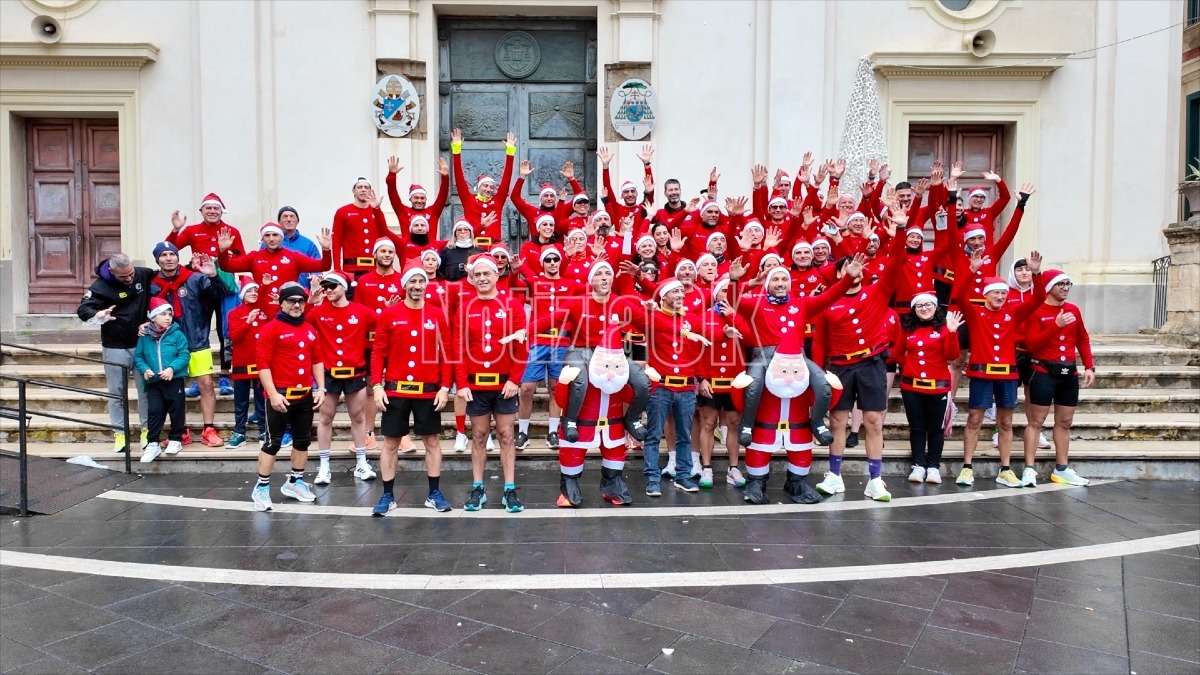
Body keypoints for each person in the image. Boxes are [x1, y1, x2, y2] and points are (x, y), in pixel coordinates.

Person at [811, 225, 907, 503]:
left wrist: (900, 229)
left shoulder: (876, 292)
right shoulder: (827, 302)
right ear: (839, 274)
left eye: (857, 268)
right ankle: (834, 475)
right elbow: (818, 343)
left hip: (871, 363)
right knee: (838, 420)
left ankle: (875, 480)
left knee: (874, 421)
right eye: (846, 269)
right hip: (839, 368)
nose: (852, 272)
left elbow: (897, 260)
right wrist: (818, 375)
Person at [953, 250, 1046, 488]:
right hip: (981, 374)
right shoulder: (975, 313)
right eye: (996, 292)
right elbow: (959, 296)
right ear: (986, 295)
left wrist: (1036, 274)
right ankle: (967, 467)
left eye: (1004, 293)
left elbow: (1037, 300)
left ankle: (1005, 468)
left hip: (1006, 374)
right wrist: (972, 270)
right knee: (974, 420)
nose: (1001, 297)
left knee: (1005, 423)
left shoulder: (1013, 312)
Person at [370, 263, 454, 515]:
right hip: (395, 391)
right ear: (404, 285)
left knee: (431, 441)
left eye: (421, 282)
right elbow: (378, 353)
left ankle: (434, 493)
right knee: (391, 443)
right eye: (412, 282)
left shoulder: (437, 314)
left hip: (428, 391)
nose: (417, 286)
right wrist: (376, 385)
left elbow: (446, 353)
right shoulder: (389, 314)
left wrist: (445, 387)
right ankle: (387, 495)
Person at [453, 254, 529, 512]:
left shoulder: (512, 305)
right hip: (475, 386)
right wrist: (461, 383)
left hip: (504, 385)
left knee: (507, 436)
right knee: (479, 436)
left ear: (498, 275)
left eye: (488, 274)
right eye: (478, 275)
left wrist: (515, 380)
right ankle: (478, 488)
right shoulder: (465, 308)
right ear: (472, 278)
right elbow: (458, 348)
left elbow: (521, 348)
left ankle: (509, 490)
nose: (483, 278)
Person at [148, 241, 231, 447]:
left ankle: (208, 429)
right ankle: (180, 431)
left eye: (172, 254)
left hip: (197, 341)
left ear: (178, 257)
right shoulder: (152, 284)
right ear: (158, 259)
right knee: (174, 391)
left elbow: (219, 294)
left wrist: (213, 275)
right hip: (169, 345)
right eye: (164, 255)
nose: (168, 258)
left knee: (206, 385)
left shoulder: (195, 278)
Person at [251, 283, 326, 512]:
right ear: (281, 303)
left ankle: (295, 482)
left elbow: (317, 360)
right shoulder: (271, 329)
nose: (296, 305)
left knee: (302, 441)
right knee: (273, 443)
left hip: (304, 395)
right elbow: (262, 365)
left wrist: (321, 388)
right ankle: (261, 487)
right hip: (280, 396)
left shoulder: (309, 328)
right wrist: (273, 394)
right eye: (291, 301)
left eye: (300, 301)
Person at [552, 327, 646, 506]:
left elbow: (629, 396)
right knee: (573, 456)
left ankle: (612, 485)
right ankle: (568, 487)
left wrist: (650, 382)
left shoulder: (619, 378)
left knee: (615, 456)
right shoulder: (581, 373)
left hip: (612, 427)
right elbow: (561, 401)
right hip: (582, 426)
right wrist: (564, 383)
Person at [1019, 269, 1095, 487]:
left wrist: (1089, 366)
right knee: (1036, 421)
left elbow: (1083, 339)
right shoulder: (1037, 310)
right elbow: (1031, 345)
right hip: (1042, 372)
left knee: (1064, 422)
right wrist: (1056, 325)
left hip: (1068, 373)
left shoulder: (1073, 310)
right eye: (1060, 284)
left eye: (1068, 284)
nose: (1065, 288)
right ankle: (1029, 469)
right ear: (1049, 287)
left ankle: (1062, 468)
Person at [733, 325, 825, 505]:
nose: (789, 378)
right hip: (764, 427)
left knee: (801, 453)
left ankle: (797, 482)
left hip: (798, 428)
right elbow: (740, 405)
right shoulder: (762, 382)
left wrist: (832, 389)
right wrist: (738, 389)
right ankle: (757, 482)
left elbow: (819, 400)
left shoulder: (805, 381)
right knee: (758, 451)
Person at [167, 194, 247, 399]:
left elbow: (242, 260)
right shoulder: (192, 231)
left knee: (226, 331)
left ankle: (224, 376)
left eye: (216, 208)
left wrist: (225, 257)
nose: (212, 211)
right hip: (200, 288)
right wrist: (176, 230)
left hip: (224, 288)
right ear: (201, 211)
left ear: (222, 211)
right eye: (208, 208)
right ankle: (198, 378)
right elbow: (169, 251)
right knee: (197, 332)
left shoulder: (232, 231)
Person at [77, 253, 155, 451]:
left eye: (131, 274)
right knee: (116, 393)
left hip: (142, 344)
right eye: (123, 277)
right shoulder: (100, 287)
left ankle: (148, 431)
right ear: (112, 272)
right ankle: (120, 434)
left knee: (145, 390)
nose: (129, 279)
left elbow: (167, 276)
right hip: (115, 346)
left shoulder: (142, 274)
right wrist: (98, 314)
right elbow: (83, 309)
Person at [307, 271, 377, 485]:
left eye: (333, 286)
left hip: (355, 372)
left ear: (344, 287)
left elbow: (382, 326)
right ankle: (324, 466)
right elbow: (300, 323)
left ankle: (362, 462)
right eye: (326, 286)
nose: (328, 290)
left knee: (358, 417)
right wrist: (310, 303)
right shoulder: (318, 312)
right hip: (328, 375)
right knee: (325, 418)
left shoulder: (362, 311)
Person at [515, 246, 581, 450]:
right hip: (537, 342)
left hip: (560, 343)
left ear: (560, 262)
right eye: (548, 260)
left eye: (555, 259)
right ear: (542, 263)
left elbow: (596, 287)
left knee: (555, 388)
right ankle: (523, 432)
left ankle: (553, 431)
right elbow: (517, 277)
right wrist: (518, 266)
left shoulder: (571, 285)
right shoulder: (535, 282)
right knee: (526, 388)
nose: (552, 263)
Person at [893, 294, 962, 484]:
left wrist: (952, 332)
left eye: (928, 305)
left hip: (937, 388)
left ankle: (933, 467)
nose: (924, 308)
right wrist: (910, 366)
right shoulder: (908, 330)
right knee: (916, 428)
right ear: (914, 310)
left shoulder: (944, 329)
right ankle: (918, 465)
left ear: (935, 307)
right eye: (919, 306)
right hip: (911, 387)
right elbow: (897, 353)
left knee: (935, 429)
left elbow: (952, 355)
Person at [132, 298, 190, 462]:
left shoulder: (177, 334)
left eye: (169, 314)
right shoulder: (144, 336)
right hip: (154, 382)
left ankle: (176, 439)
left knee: (176, 409)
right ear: (153, 317)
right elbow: (139, 356)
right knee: (155, 412)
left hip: (173, 379)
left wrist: (172, 368)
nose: (167, 317)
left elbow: (184, 354)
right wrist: (145, 370)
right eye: (163, 314)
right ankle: (153, 443)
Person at [450, 129, 515, 247]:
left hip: (494, 248)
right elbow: (459, 178)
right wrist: (456, 150)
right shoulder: (469, 200)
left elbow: (506, 179)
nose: (489, 189)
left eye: (492, 187)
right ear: (479, 187)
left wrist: (510, 153)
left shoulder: (498, 201)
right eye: (485, 186)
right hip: (473, 246)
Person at [331, 177, 400, 278]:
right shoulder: (343, 212)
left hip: (374, 268)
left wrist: (377, 208)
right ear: (353, 191)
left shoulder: (376, 211)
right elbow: (336, 241)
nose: (363, 189)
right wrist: (337, 269)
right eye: (360, 187)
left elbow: (384, 235)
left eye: (366, 187)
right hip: (351, 269)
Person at [225, 279, 266, 449]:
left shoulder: (265, 312)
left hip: (261, 365)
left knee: (261, 400)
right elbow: (235, 337)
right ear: (242, 295)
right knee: (240, 401)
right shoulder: (234, 314)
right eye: (250, 291)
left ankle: (264, 430)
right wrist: (247, 322)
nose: (254, 293)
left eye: (256, 291)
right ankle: (239, 432)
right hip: (242, 364)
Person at [275, 206, 322, 289]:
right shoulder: (270, 243)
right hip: (277, 292)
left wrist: (315, 276)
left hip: (302, 291)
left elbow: (317, 267)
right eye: (285, 216)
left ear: (297, 221)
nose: (289, 219)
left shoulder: (308, 244)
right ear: (279, 221)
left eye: (292, 216)